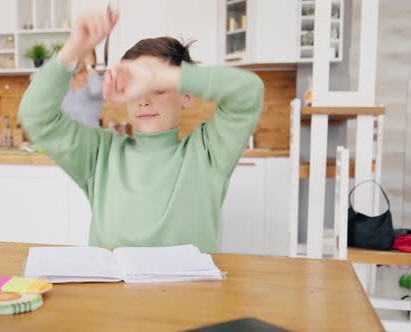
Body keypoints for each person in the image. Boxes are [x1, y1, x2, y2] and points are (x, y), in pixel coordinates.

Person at [18, 10, 263, 253]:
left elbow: (249, 92)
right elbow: (35, 115)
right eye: (135, 87)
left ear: (186, 94)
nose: (143, 100)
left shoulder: (208, 153)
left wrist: (161, 76)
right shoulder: (99, 155)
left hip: (188, 293)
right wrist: (73, 50)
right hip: (114, 292)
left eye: (157, 87)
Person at [61, 49, 104, 127]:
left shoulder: (97, 79)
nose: (77, 60)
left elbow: (97, 91)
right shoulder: (66, 79)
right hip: (66, 134)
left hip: (89, 134)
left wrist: (90, 65)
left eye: (82, 56)